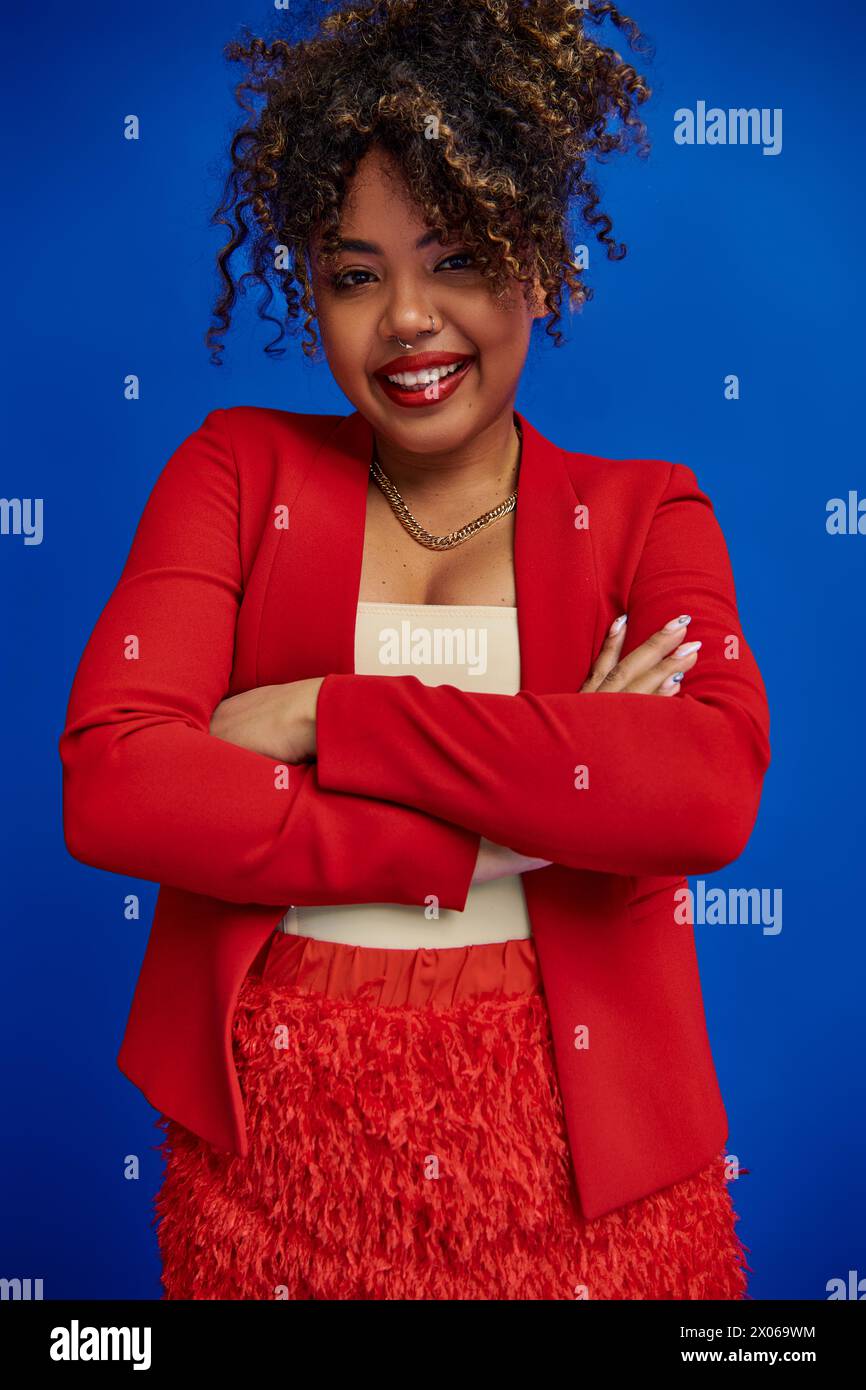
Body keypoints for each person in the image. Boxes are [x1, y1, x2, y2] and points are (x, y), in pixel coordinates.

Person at [59, 0, 771, 1299]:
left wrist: (324, 715)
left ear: (542, 266)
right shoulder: (232, 471)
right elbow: (114, 781)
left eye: (455, 257)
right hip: (278, 1187)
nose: (405, 320)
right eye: (353, 273)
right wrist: (514, 826)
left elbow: (704, 786)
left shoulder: (642, 512)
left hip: (592, 1189)